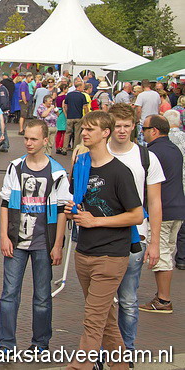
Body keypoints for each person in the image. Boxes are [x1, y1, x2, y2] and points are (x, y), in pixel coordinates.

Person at [64, 111, 143, 370]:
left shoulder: (120, 172)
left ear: (105, 133)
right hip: (84, 252)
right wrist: (73, 211)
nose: (84, 133)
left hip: (111, 255)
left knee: (93, 320)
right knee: (106, 320)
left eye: (91, 129)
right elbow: (81, 204)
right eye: (84, 128)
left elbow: (136, 215)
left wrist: (95, 221)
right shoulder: (81, 165)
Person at [0, 119, 71, 354]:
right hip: (16, 241)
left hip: (43, 242)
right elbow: (5, 203)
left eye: (34, 139)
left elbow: (62, 211)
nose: (28, 143)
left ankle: (40, 343)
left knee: (42, 296)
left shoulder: (57, 172)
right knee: (9, 294)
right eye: (26, 138)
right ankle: (5, 344)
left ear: (45, 140)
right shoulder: (15, 167)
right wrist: (4, 236)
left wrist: (58, 244)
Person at [105, 103, 164, 353]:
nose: (121, 130)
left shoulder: (146, 158)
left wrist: (155, 242)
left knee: (128, 299)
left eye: (126, 126)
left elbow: (155, 202)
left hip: (134, 236)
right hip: (102, 236)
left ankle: (126, 350)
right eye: (117, 126)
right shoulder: (97, 153)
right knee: (102, 301)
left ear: (133, 127)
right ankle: (102, 349)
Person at [139, 115, 185, 314]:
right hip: (178, 207)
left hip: (162, 209)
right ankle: (162, 297)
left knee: (161, 252)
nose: (143, 133)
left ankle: (164, 300)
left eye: (144, 129)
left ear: (154, 131)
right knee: (168, 250)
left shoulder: (152, 152)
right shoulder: (174, 149)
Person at [62, 81, 89, 154]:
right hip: (78, 116)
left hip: (70, 116)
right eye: (82, 87)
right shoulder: (82, 95)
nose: (83, 88)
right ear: (79, 87)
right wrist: (87, 116)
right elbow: (85, 107)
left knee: (68, 133)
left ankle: (64, 148)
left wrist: (67, 114)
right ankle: (75, 148)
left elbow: (65, 105)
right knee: (77, 133)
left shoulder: (69, 95)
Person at [135, 79, 160, 144]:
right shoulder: (156, 94)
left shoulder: (141, 95)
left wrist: (137, 120)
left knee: (142, 142)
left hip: (143, 122)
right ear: (149, 85)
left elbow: (138, 110)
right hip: (155, 121)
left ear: (142, 86)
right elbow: (158, 108)